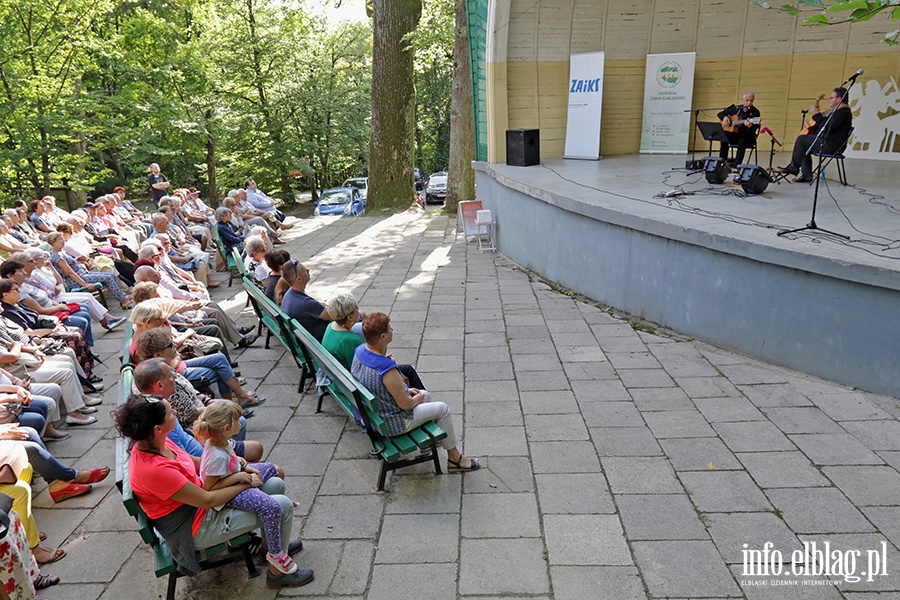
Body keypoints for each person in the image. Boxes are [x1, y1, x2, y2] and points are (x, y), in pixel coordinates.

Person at [113, 394, 313, 588]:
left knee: (274, 484)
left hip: (201, 502)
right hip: (194, 525)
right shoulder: (154, 469)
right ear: (157, 428)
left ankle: (267, 549)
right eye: (170, 412)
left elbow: (201, 465)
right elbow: (207, 499)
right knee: (283, 506)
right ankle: (277, 575)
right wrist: (244, 482)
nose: (174, 411)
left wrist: (239, 467)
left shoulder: (159, 441)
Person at [352, 313, 479, 472]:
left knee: (425, 394)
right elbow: (405, 405)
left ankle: (426, 445)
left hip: (375, 416)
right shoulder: (386, 369)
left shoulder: (359, 351)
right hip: (392, 423)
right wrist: (415, 398)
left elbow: (377, 385)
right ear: (383, 336)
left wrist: (406, 390)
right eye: (390, 328)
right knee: (442, 408)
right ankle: (455, 459)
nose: (392, 329)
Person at [193, 401, 300, 575]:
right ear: (226, 427)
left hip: (236, 478)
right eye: (237, 419)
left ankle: (274, 534)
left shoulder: (221, 441)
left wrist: (243, 466)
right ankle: (275, 554)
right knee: (271, 507)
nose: (240, 421)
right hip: (228, 495)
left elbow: (230, 461)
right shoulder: (216, 456)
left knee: (271, 469)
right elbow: (209, 487)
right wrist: (240, 478)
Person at [133, 358, 263, 462]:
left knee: (255, 446)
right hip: (206, 456)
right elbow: (183, 458)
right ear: (160, 385)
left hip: (203, 446)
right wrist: (226, 462)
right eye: (170, 375)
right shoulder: (161, 418)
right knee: (255, 447)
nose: (175, 377)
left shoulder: (161, 405)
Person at [775, 87, 854, 183]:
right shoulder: (839, 111)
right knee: (804, 143)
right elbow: (826, 126)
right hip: (829, 142)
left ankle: (794, 167)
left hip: (831, 145)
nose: (829, 100)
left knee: (802, 140)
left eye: (831, 98)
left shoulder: (842, 112)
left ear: (838, 99)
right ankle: (806, 175)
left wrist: (817, 115)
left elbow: (825, 128)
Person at [47, 233, 132, 309]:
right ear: (54, 243)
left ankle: (121, 297)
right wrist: (85, 284)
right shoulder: (58, 257)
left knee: (109, 273)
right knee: (109, 277)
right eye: (60, 239)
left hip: (83, 274)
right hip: (77, 280)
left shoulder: (62, 252)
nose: (64, 240)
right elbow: (70, 272)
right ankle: (123, 301)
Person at [717, 92, 760, 167]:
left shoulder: (755, 112)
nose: (749, 102)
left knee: (742, 141)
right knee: (724, 138)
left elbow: (755, 127)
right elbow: (720, 114)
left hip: (748, 136)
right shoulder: (736, 109)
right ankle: (722, 162)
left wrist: (750, 125)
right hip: (735, 135)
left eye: (751, 101)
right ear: (743, 100)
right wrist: (725, 117)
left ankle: (737, 165)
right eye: (747, 100)